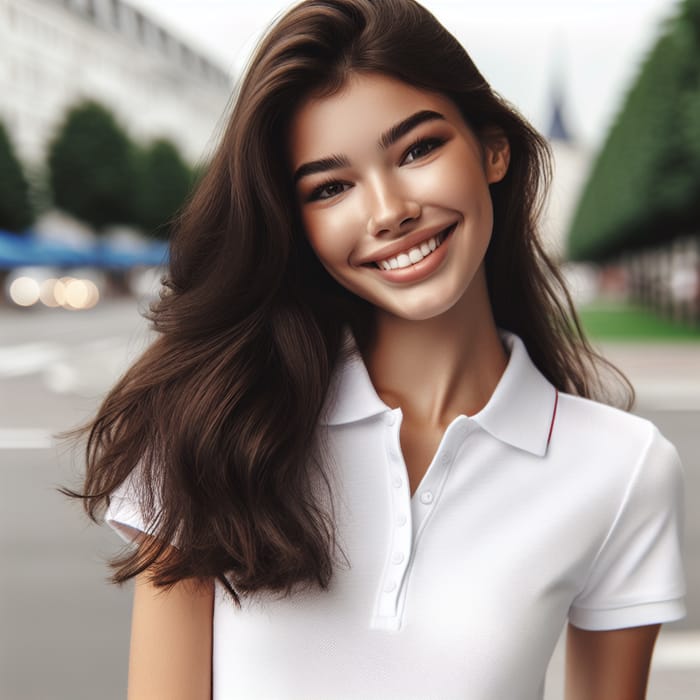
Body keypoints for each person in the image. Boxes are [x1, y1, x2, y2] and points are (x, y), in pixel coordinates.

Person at [68, 1, 686, 698]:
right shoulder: (210, 423)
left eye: (418, 149)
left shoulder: (623, 469)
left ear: (492, 149)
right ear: (295, 223)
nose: (389, 210)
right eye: (331, 187)